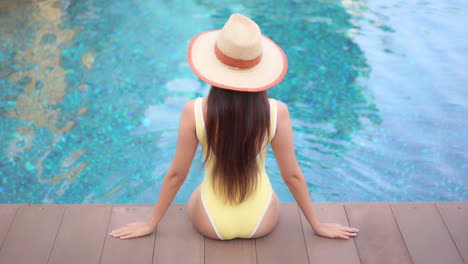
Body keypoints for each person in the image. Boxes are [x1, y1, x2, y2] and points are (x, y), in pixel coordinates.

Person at [109, 14, 359, 240]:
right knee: (269, 189)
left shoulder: (194, 111)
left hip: (211, 222)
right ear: (259, 69)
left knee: (200, 188)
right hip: (261, 222)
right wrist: (317, 225)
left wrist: (151, 223)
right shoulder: (277, 112)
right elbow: (292, 176)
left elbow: (176, 174)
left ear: (214, 67)